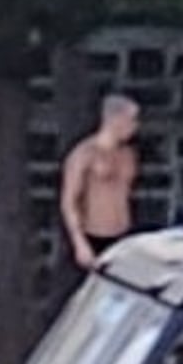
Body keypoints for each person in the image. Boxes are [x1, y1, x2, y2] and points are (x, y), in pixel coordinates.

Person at [59, 93, 142, 281]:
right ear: (116, 120)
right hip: (93, 235)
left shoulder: (128, 154)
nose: (135, 126)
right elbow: (69, 200)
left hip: (122, 234)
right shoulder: (84, 154)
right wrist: (79, 242)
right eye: (131, 120)